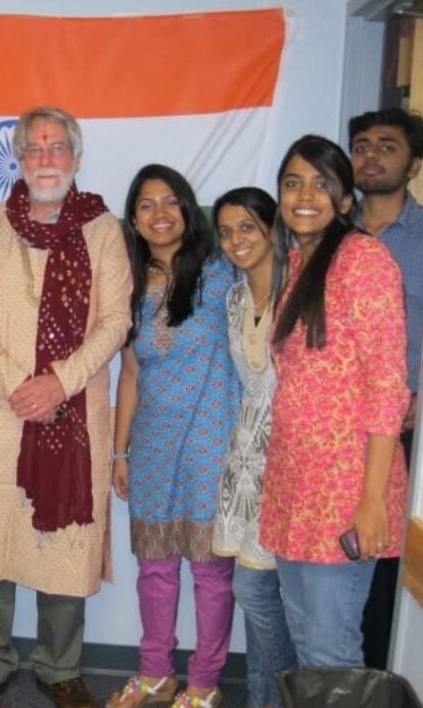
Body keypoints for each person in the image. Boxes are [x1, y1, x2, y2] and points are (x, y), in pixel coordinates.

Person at [0, 106, 132, 708]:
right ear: (19, 159)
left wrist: (58, 384)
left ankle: (59, 667)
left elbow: (115, 321)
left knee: (64, 545)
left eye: (57, 147)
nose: (46, 158)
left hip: (73, 414)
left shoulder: (102, 230)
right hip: (0, 412)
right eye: (35, 148)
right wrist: (16, 385)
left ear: (75, 157)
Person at [260, 135, 409, 669]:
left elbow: (388, 386)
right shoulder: (302, 263)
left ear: (346, 200)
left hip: (344, 493)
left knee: (331, 651)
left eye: (322, 184)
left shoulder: (363, 260)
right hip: (297, 488)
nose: (305, 195)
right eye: (293, 182)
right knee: (306, 642)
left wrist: (372, 501)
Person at [107, 165, 238, 708]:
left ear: (188, 209)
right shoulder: (130, 287)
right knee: (155, 570)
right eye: (145, 205)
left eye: (169, 202)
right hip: (155, 444)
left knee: (211, 574)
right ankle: (155, 674)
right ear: (133, 220)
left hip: (214, 441)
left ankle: (204, 684)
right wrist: (120, 452)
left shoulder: (224, 272)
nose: (159, 214)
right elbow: (132, 373)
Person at [348, 108, 423, 669]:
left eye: (387, 146)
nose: (371, 156)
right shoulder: (330, 231)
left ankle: (372, 680)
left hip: (402, 430)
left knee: (381, 567)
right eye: (361, 146)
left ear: (415, 163)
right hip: (334, 429)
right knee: (328, 567)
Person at [209, 188, 297, 707]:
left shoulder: (302, 292)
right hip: (247, 458)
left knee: (257, 592)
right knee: (256, 593)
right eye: (225, 231)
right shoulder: (236, 297)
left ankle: (289, 691)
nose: (235, 240)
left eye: (246, 226)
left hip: (290, 457)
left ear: (272, 228)